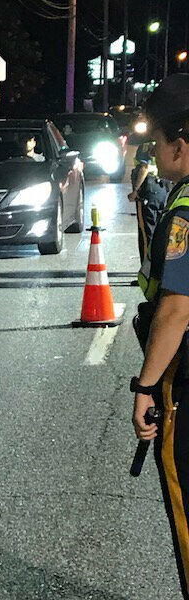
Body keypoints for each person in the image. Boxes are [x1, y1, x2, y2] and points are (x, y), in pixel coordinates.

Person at [131, 73, 189, 600]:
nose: (154, 151)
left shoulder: (186, 206)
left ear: (181, 141)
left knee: (185, 503)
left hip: (186, 379)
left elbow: (175, 310)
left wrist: (146, 388)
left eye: (158, 141)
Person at [127, 140, 171, 263]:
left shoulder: (146, 146)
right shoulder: (163, 143)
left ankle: (148, 270)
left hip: (148, 190)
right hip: (162, 189)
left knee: (146, 233)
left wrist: (136, 190)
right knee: (159, 230)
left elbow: (144, 167)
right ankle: (159, 267)